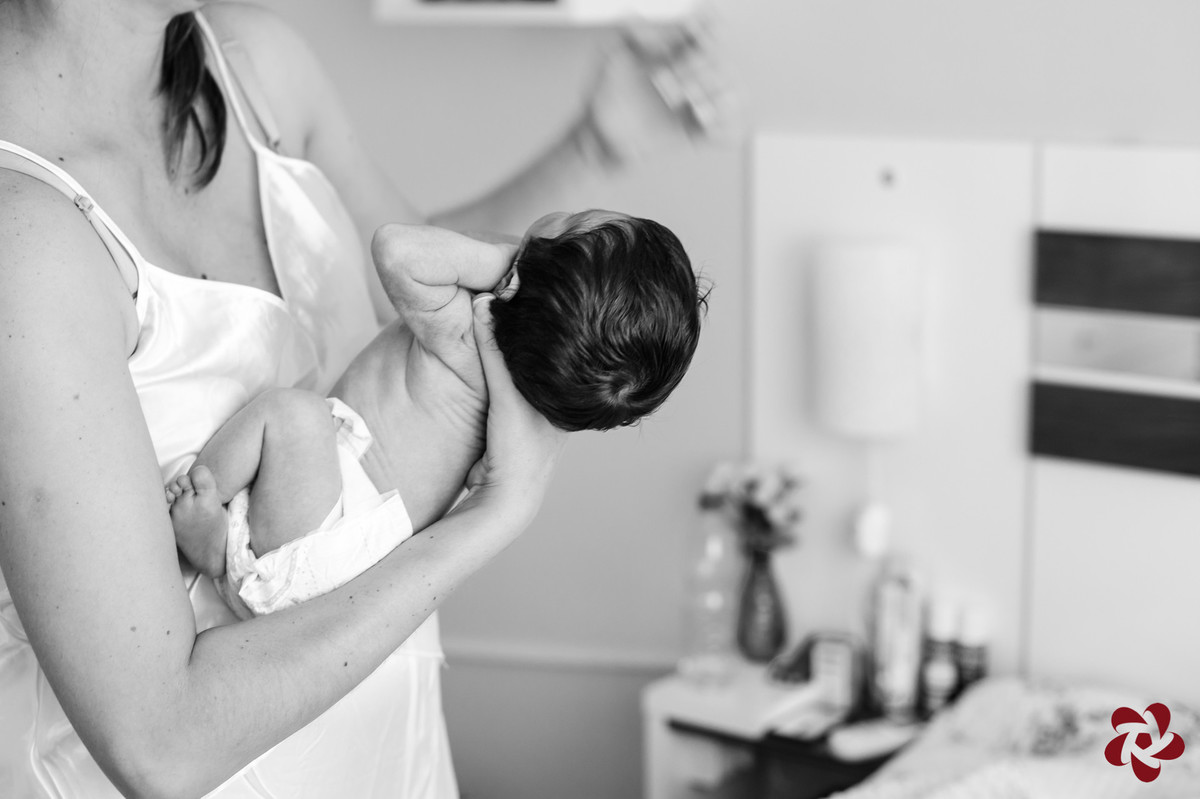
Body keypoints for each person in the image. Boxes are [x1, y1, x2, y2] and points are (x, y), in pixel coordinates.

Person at [0, 1, 727, 796]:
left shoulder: (257, 68)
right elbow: (159, 746)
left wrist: (590, 144)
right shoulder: (23, 238)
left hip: (390, 752)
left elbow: (422, 306)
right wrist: (495, 514)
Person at [165, 210, 706, 618]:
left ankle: (209, 526)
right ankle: (231, 555)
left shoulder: (469, 333)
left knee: (291, 415)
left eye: (570, 223)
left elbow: (396, 248)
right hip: (351, 556)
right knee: (294, 425)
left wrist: (519, 265)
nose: (550, 221)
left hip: (328, 529)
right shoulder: (533, 408)